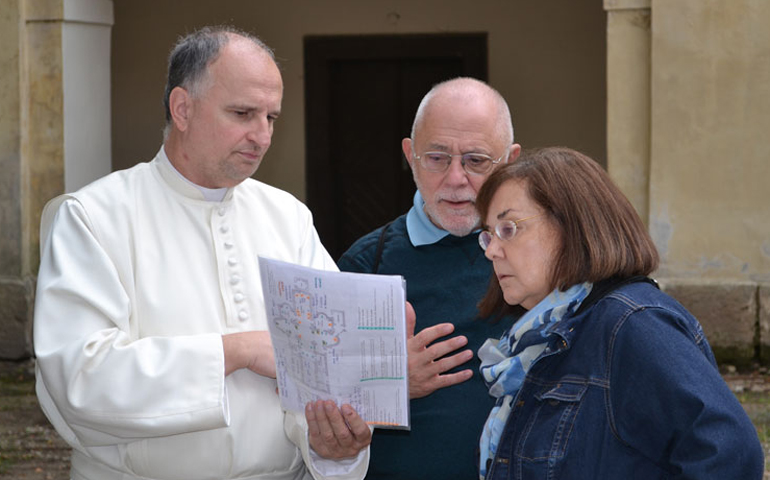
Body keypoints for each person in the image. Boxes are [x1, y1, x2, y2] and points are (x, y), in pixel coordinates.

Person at [34, 26, 372, 480]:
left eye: (271, 117)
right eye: (243, 113)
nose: (262, 135)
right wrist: (236, 350)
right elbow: (79, 380)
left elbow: (324, 367)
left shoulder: (287, 218)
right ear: (183, 108)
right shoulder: (93, 217)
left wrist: (332, 444)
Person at [474, 146, 764, 480]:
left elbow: (730, 454)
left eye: (509, 228)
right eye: (488, 236)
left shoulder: (633, 323)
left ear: (572, 225)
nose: (493, 250)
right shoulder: (538, 340)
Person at [338, 77, 521, 479]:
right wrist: (389, 385)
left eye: (475, 160)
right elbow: (319, 412)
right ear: (410, 155)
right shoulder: (367, 264)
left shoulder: (538, 256)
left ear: (509, 161)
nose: (456, 179)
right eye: (437, 158)